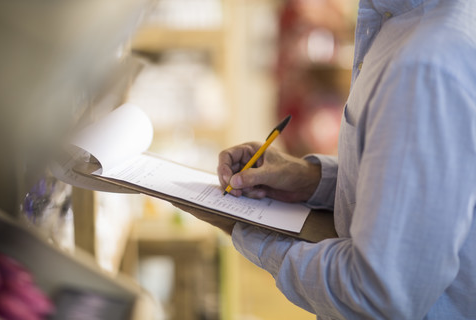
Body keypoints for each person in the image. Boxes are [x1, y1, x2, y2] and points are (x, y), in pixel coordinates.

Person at [174, 0, 476, 319]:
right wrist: (314, 179)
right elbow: (419, 196)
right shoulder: (402, 25)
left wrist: (245, 229)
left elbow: (375, 295)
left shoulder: (427, 65)